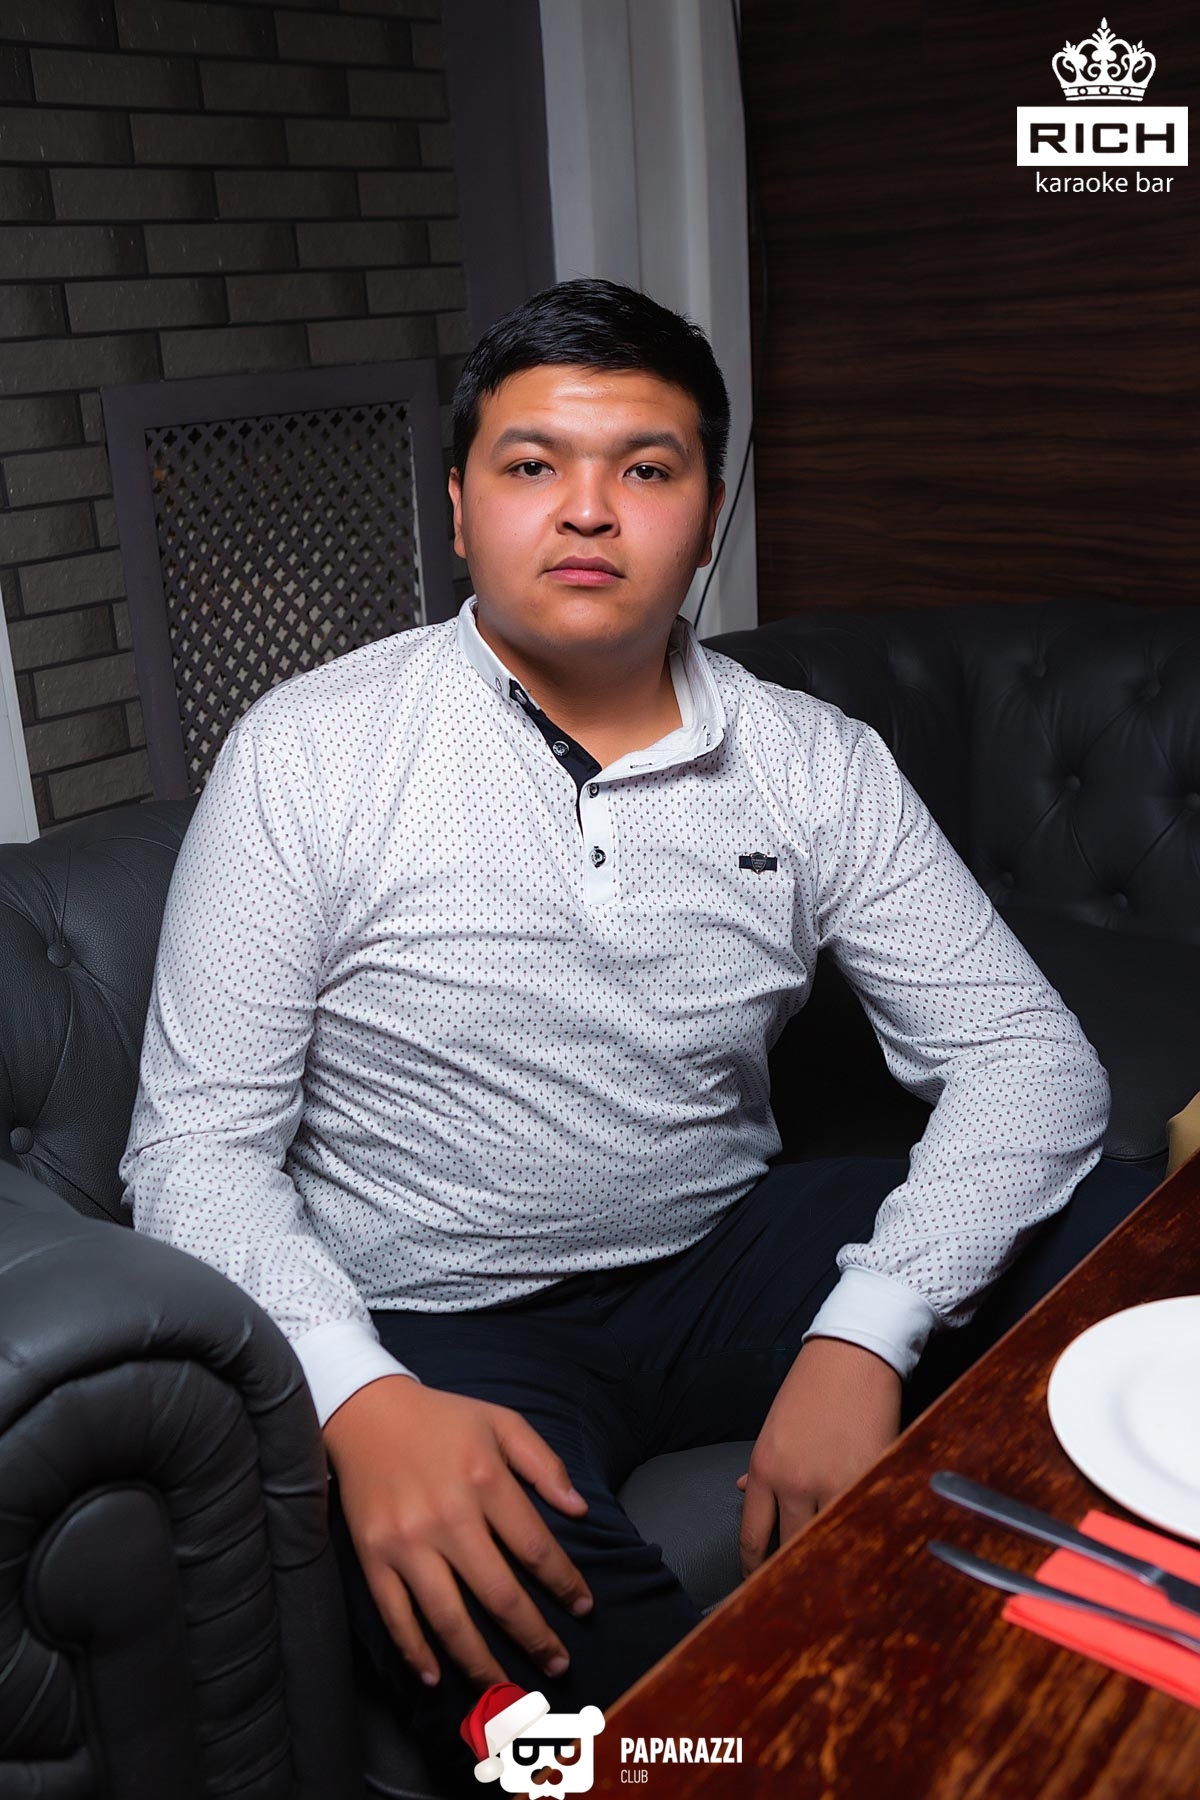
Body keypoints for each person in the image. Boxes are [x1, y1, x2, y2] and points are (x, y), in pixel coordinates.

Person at [121, 278, 1153, 1795]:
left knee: (1135, 1231)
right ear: (459, 507)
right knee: (627, 1743)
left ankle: (1096, 1664)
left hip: (721, 1253)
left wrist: (865, 1330)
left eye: (646, 468)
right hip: (436, 1319)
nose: (588, 510)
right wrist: (357, 1392)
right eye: (532, 464)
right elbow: (194, 1151)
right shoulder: (309, 754)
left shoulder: (812, 761)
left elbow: (1028, 1059)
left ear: (708, 515)